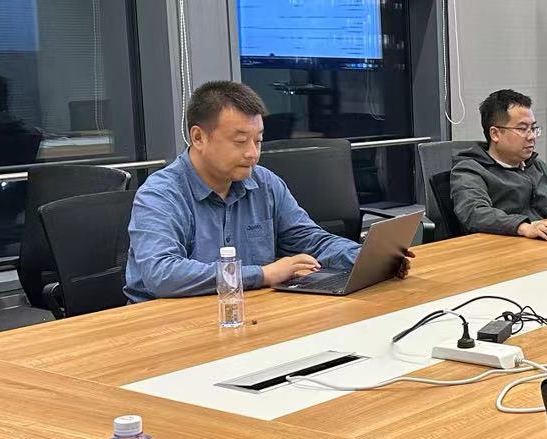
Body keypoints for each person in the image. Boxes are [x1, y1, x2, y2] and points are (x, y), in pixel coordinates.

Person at [125, 81, 411, 302]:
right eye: (240, 141)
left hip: (244, 311)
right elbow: (162, 274)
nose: (253, 153)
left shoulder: (264, 184)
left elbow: (310, 240)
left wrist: (368, 258)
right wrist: (262, 275)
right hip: (162, 327)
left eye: (258, 141)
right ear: (198, 137)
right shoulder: (161, 194)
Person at [450, 89, 547, 241]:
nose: (532, 136)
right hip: (505, 248)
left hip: (546, 242)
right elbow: (475, 212)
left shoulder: (534, 164)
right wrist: (524, 227)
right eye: (522, 129)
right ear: (495, 134)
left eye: (533, 128)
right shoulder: (469, 170)